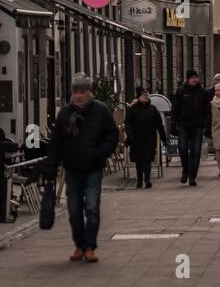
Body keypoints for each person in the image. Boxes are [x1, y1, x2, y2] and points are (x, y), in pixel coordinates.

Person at [48, 73, 120, 262]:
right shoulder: (65, 113)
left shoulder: (101, 111)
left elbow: (112, 136)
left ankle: (90, 247)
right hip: (72, 169)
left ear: (89, 93)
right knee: (73, 210)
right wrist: (51, 166)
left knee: (92, 208)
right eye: (75, 91)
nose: (79, 95)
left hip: (93, 168)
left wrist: (100, 152)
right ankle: (79, 245)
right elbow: (56, 142)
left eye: (83, 91)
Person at [171, 69, 211, 186]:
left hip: (197, 126)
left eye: (196, 77)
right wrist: (174, 125)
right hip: (183, 125)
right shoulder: (180, 91)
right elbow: (175, 110)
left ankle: (192, 176)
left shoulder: (202, 92)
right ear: (188, 79)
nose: (195, 79)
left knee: (196, 151)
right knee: (182, 149)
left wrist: (205, 124)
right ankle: (185, 170)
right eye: (192, 77)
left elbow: (207, 110)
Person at [124, 86, 166, 188]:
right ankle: (139, 180)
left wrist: (163, 137)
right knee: (139, 161)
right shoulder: (132, 109)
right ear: (139, 97)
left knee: (147, 160)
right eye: (144, 95)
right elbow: (128, 124)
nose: (146, 96)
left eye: (147, 95)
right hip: (136, 139)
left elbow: (159, 124)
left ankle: (147, 180)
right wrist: (130, 136)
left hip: (149, 138)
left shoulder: (152, 109)